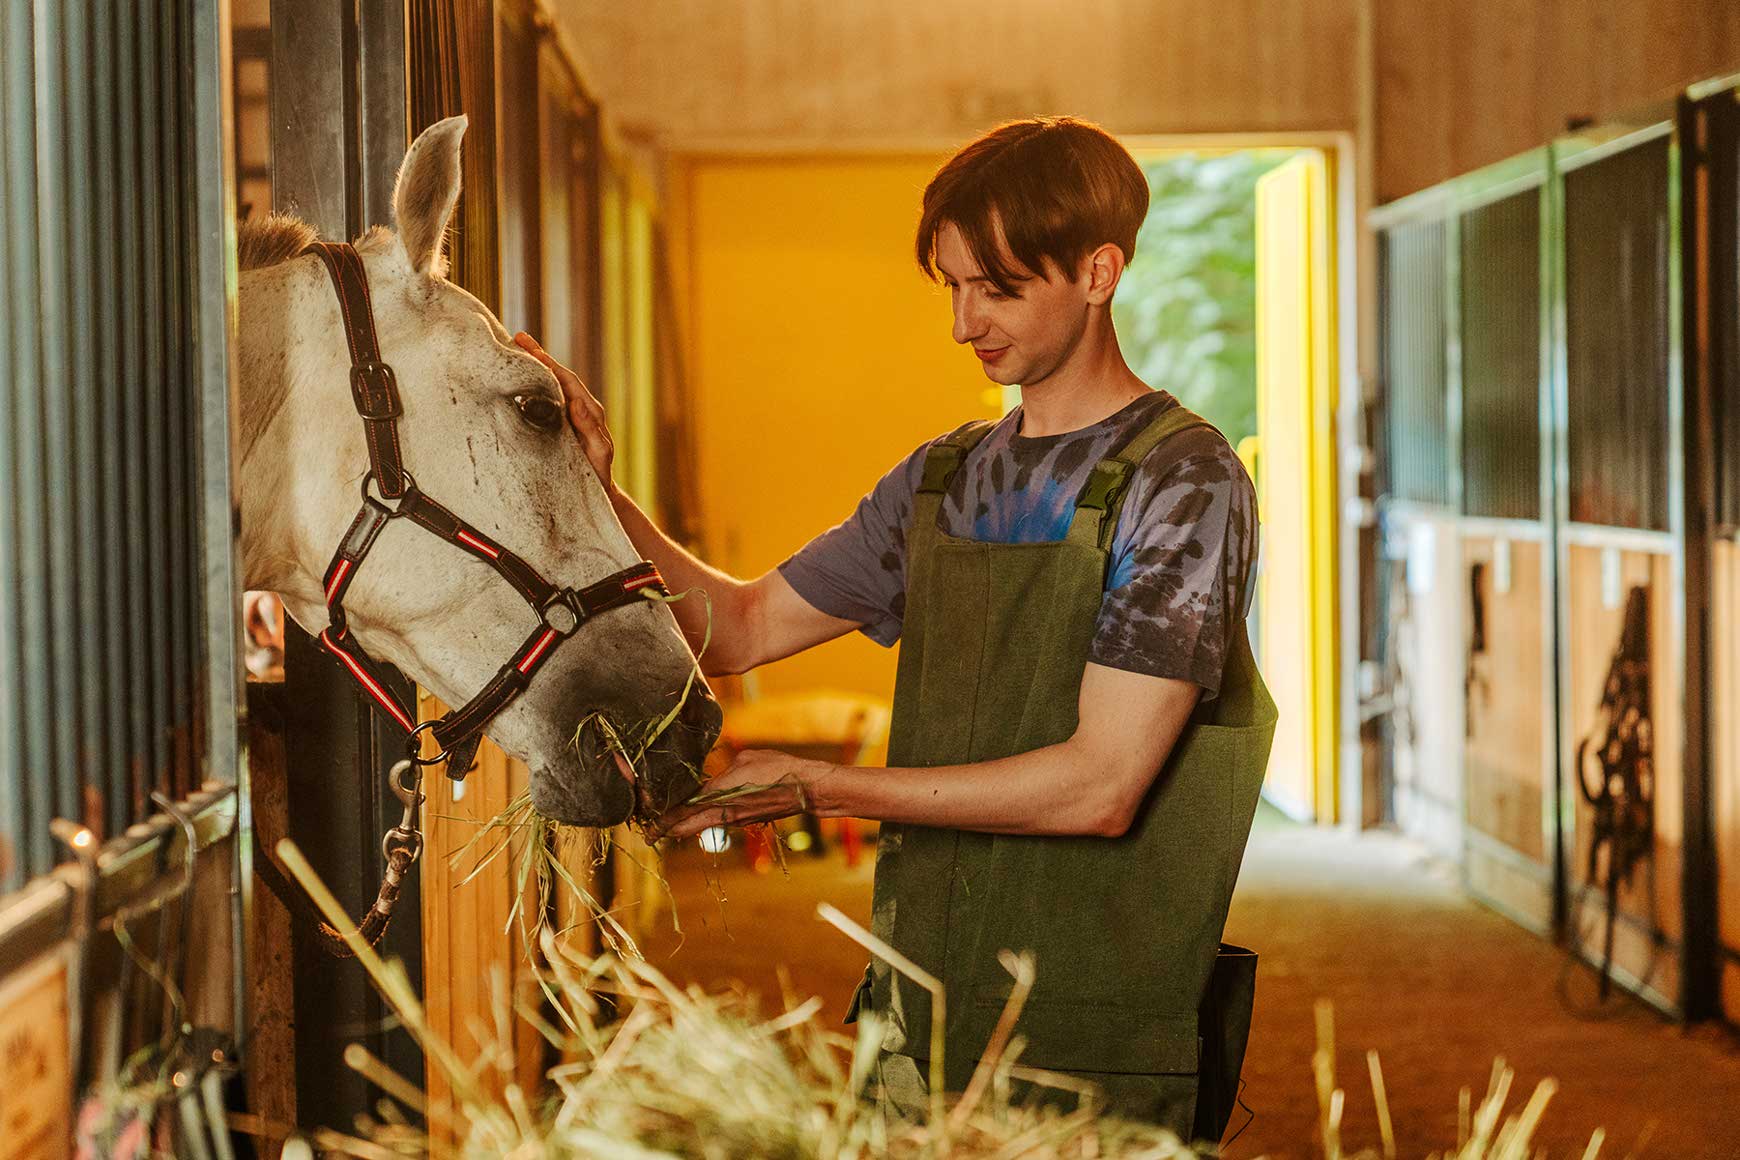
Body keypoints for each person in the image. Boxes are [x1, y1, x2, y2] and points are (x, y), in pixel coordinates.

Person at [515, 115, 1277, 1143]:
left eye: (997, 287)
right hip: (921, 1013)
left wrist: (822, 786)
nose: (965, 323)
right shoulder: (943, 480)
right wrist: (592, 483)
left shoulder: (1182, 480)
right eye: (952, 287)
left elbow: (1104, 784)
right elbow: (737, 625)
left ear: (1100, 271)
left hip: (1095, 1029)